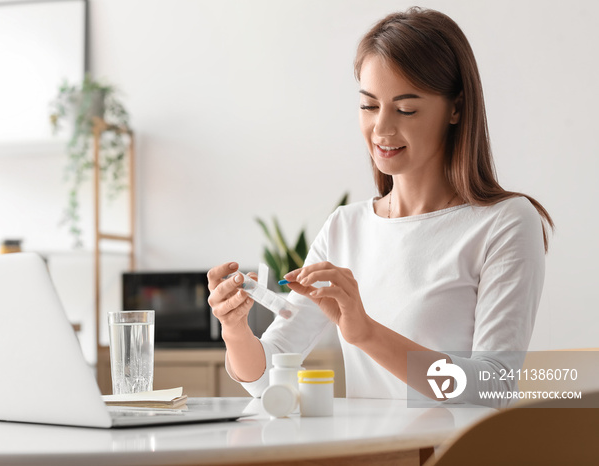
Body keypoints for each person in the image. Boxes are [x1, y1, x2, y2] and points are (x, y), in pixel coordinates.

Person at [207, 7, 553, 405]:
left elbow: (492, 386)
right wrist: (234, 330)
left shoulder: (505, 223)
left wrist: (366, 333)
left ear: (456, 108)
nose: (382, 129)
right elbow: (266, 378)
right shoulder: (345, 227)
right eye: (369, 106)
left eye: (406, 109)